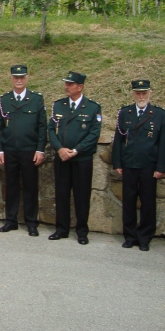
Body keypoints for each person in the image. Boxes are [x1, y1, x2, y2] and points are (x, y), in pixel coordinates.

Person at [112, 80, 165, 252]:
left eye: (144, 93)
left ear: (150, 93)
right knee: (128, 201)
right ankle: (129, 236)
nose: (141, 96)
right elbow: (119, 140)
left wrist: (160, 167)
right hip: (129, 164)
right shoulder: (125, 112)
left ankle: (144, 237)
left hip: (149, 165)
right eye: (138, 93)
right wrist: (117, 162)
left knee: (148, 202)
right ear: (133, 94)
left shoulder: (160, 114)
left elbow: (163, 143)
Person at [47, 71, 102, 245]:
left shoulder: (93, 107)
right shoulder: (58, 105)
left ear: (80, 87)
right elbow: (50, 129)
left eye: (70, 84)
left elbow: (94, 133)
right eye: (66, 83)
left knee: (81, 195)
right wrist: (59, 149)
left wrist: (77, 150)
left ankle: (82, 231)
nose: (66, 87)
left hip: (81, 159)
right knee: (61, 193)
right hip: (62, 157)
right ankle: (61, 229)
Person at [0, 65, 47, 236]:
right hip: (10, 150)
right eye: (16, 77)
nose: (19, 80)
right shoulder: (4, 100)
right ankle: (11, 220)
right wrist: (0, 150)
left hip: (29, 150)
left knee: (30, 187)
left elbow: (42, 127)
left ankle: (31, 222)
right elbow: (0, 127)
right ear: (11, 78)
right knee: (11, 186)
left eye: (22, 77)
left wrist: (40, 149)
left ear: (27, 78)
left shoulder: (36, 99)